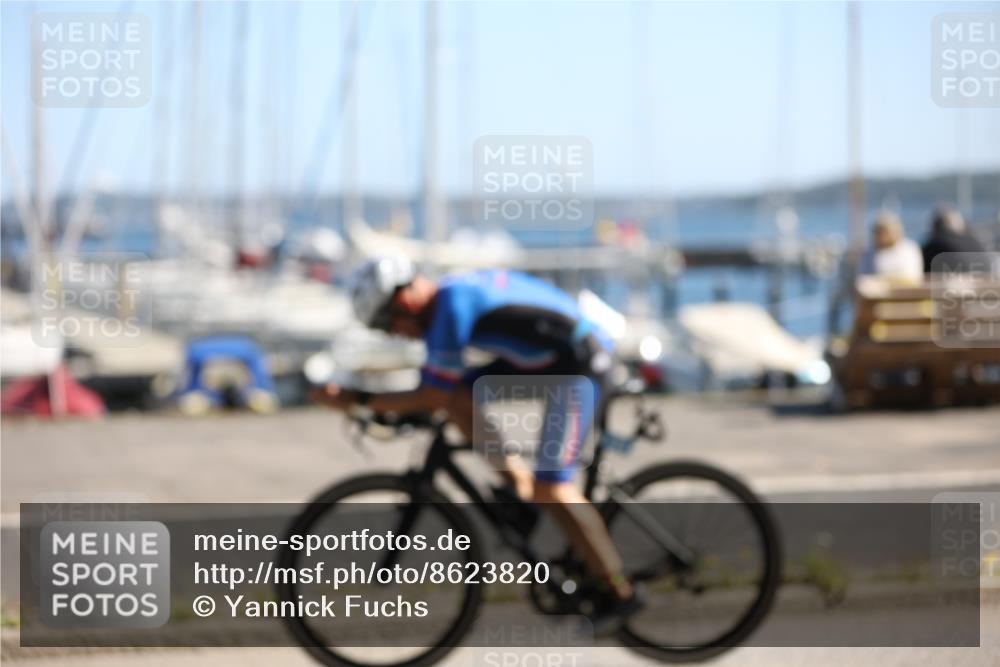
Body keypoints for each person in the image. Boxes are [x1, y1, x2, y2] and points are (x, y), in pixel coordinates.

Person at [313, 256, 642, 630]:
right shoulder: (448, 300)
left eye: (388, 325)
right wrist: (400, 405)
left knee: (552, 487)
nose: (395, 335)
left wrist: (358, 400)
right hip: (552, 361)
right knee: (458, 397)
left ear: (403, 301)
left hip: (582, 365)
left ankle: (620, 591)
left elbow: (431, 396)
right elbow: (438, 391)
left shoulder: (450, 309)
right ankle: (520, 492)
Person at [859, 211, 924, 283]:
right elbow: (863, 278)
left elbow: (913, 276)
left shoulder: (909, 248)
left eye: (884, 232)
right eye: (879, 233)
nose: (882, 237)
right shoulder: (870, 252)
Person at [921, 205, 986, 274]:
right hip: (982, 278)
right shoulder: (975, 243)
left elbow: (922, 269)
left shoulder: (934, 246)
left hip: (947, 279)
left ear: (936, 227)